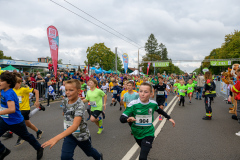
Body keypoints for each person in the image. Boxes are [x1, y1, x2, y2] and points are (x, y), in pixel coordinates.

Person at [42, 79, 103, 160]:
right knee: (65, 157)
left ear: (78, 91)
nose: (67, 92)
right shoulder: (65, 100)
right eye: (66, 90)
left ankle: (99, 157)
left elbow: (75, 126)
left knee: (89, 152)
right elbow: (64, 112)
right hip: (69, 134)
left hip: (81, 135)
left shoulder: (80, 105)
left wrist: (56, 138)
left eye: (71, 90)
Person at [120, 82, 175, 160]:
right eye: (141, 91)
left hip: (149, 132)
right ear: (138, 92)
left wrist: (169, 118)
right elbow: (122, 118)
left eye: (146, 92)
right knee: (143, 149)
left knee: (142, 157)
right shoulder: (133, 104)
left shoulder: (153, 104)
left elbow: (160, 111)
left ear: (150, 93)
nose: (142, 94)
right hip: (136, 132)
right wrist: (127, 119)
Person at [0, 72, 44, 160]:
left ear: (8, 83)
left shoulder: (9, 93)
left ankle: (39, 148)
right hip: (5, 120)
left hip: (16, 122)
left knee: (26, 136)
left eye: (1, 81)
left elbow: (12, 109)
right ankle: (3, 150)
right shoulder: (3, 90)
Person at [12, 76, 44, 147]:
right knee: (28, 124)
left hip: (25, 109)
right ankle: (39, 131)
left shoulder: (24, 89)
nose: (13, 85)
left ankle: (21, 136)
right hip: (18, 110)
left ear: (19, 83)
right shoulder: (13, 90)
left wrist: (37, 101)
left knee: (17, 123)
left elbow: (36, 91)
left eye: (14, 83)